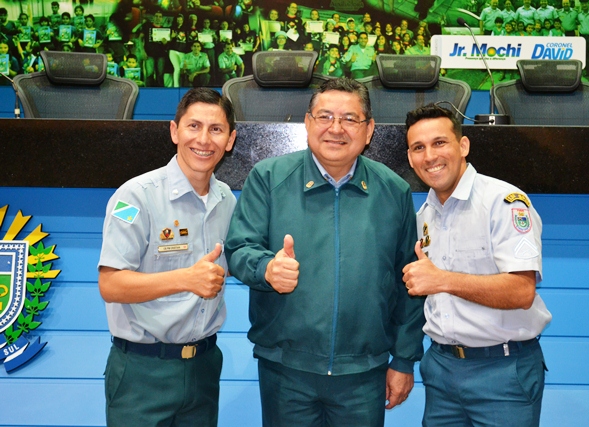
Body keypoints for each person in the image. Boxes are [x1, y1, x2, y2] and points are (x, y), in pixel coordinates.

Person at [225, 78, 425, 427]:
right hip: (286, 370)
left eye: (350, 119)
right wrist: (266, 269)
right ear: (307, 123)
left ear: (369, 130)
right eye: (325, 116)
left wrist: (404, 360)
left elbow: (409, 279)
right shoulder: (269, 178)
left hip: (364, 374)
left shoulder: (394, 190)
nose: (336, 128)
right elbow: (239, 248)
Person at [402, 104, 552, 427]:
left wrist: (442, 280)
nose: (430, 156)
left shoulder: (504, 202)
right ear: (411, 158)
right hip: (441, 370)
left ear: (463, 146)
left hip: (503, 372)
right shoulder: (424, 216)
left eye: (439, 142)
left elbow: (522, 291)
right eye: (418, 147)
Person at [98, 87, 237, 427]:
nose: (203, 139)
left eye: (216, 129)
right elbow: (111, 285)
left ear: (230, 140)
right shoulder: (135, 197)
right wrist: (185, 279)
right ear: (175, 131)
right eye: (193, 126)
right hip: (142, 372)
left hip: (204, 368)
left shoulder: (227, 200)